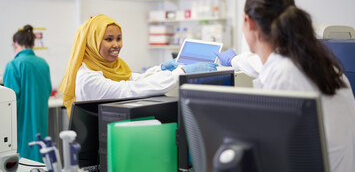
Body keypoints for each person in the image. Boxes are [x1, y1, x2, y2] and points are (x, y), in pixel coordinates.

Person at [215, 0, 355, 172]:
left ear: (249, 22)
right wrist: (235, 60)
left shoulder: (283, 74)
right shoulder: (320, 65)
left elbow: (273, 158)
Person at [59, 14, 218, 117]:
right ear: (92, 43)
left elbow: (137, 79)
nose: (116, 45)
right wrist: (180, 72)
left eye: (118, 38)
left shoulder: (113, 67)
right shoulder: (88, 78)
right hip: (96, 147)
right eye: (108, 39)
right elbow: (128, 90)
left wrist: (161, 69)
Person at [3, 25, 52, 162]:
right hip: (40, 120)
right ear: (32, 43)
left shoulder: (13, 65)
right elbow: (47, 90)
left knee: (23, 160)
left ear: (15, 44)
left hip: (21, 126)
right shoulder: (43, 64)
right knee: (39, 157)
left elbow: (9, 103)